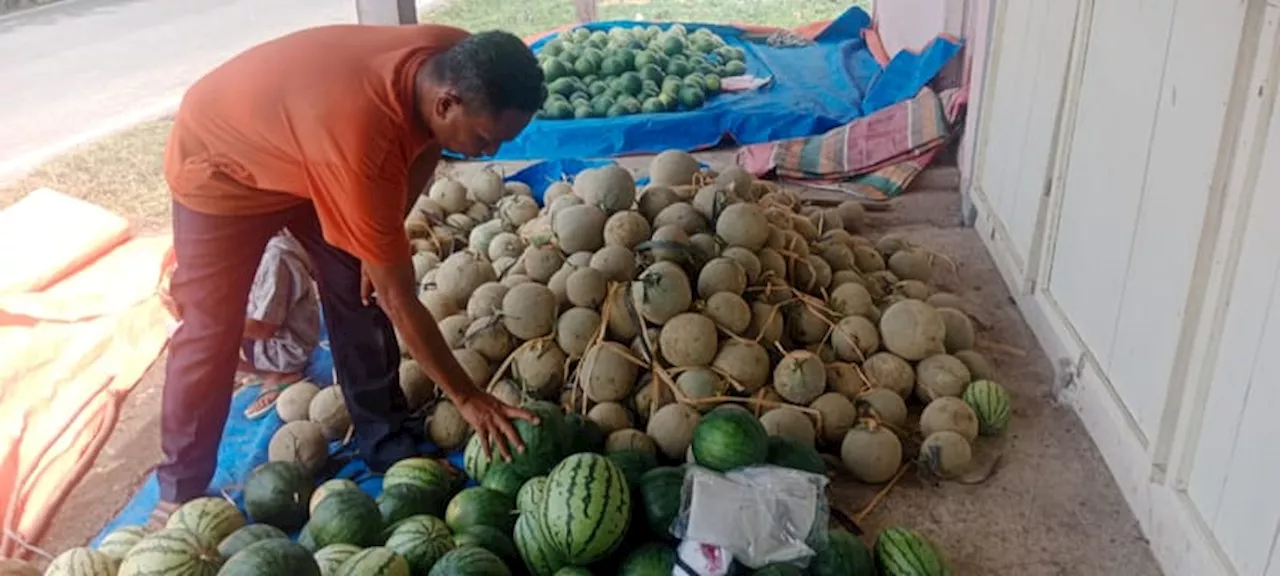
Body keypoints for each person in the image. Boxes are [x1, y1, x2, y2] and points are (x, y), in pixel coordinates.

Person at [151, 24, 544, 526]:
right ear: (447, 103)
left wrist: (381, 233)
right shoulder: (363, 143)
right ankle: (178, 487)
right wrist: (467, 397)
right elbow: (400, 300)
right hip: (222, 164)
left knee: (353, 287)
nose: (489, 155)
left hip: (308, 146)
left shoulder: (461, 60)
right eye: (486, 139)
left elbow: (425, 145)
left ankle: (387, 443)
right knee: (211, 328)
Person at [237, 230, 321, 420]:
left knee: (210, 338)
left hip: (286, 346)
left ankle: (283, 374)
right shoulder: (259, 246)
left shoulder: (277, 258)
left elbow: (264, 328)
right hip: (268, 335)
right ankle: (266, 372)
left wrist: (215, 327)